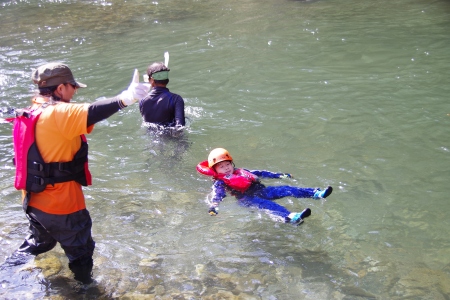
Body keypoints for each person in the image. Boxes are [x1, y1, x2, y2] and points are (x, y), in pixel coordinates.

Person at [1, 62, 149, 283]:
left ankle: (6, 271)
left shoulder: (31, 110)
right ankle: (86, 291)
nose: (75, 91)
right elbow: (92, 111)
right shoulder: (59, 112)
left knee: (41, 242)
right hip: (62, 205)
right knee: (81, 251)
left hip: (32, 199)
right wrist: (125, 99)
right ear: (60, 89)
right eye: (72, 86)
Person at [196, 148, 333, 225]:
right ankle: (291, 217)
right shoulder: (220, 182)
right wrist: (214, 206)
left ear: (232, 164)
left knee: (286, 189)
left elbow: (262, 173)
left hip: (261, 191)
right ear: (215, 170)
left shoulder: (243, 172)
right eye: (221, 167)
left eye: (228, 165)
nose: (226, 168)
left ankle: (316, 193)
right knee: (268, 205)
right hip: (247, 199)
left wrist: (280, 175)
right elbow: (218, 194)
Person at [139, 62, 185, 129]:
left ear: (151, 80)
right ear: (167, 80)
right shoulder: (176, 99)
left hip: (151, 137)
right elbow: (180, 127)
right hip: (171, 135)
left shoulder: (142, 100)